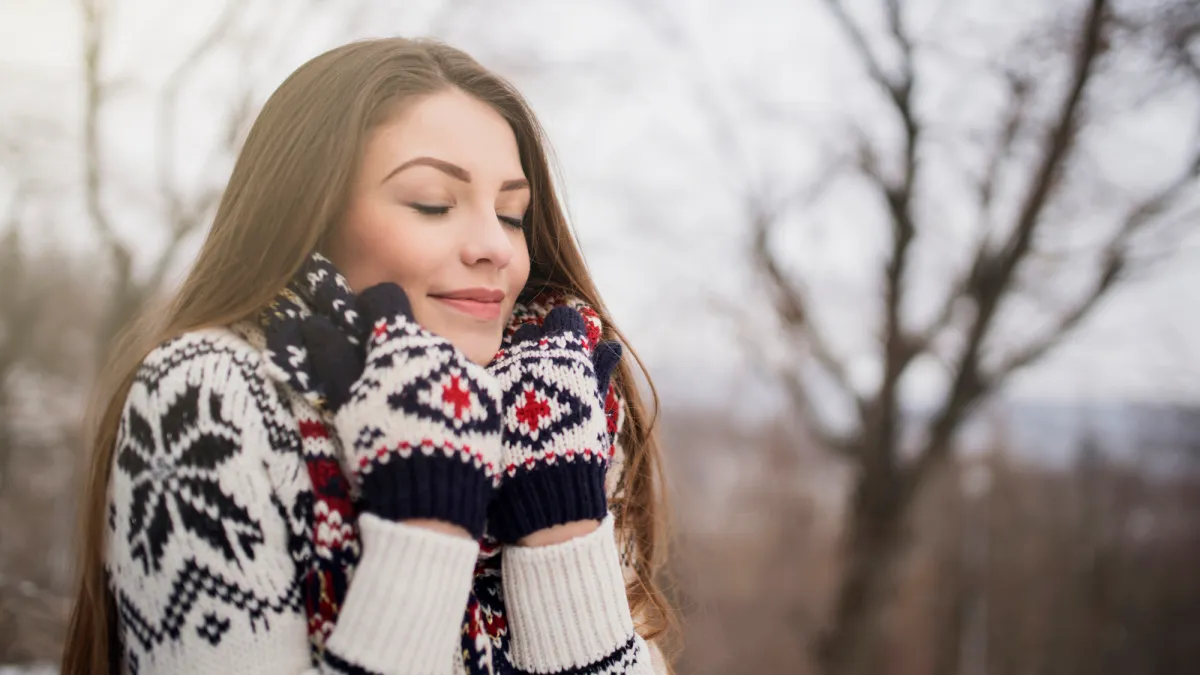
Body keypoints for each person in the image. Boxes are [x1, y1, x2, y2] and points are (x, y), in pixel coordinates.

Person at [61, 37, 673, 674]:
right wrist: (424, 530)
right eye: (433, 204)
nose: (495, 246)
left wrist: (563, 533)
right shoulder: (207, 395)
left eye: (512, 215)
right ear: (310, 214)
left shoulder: (558, 406)